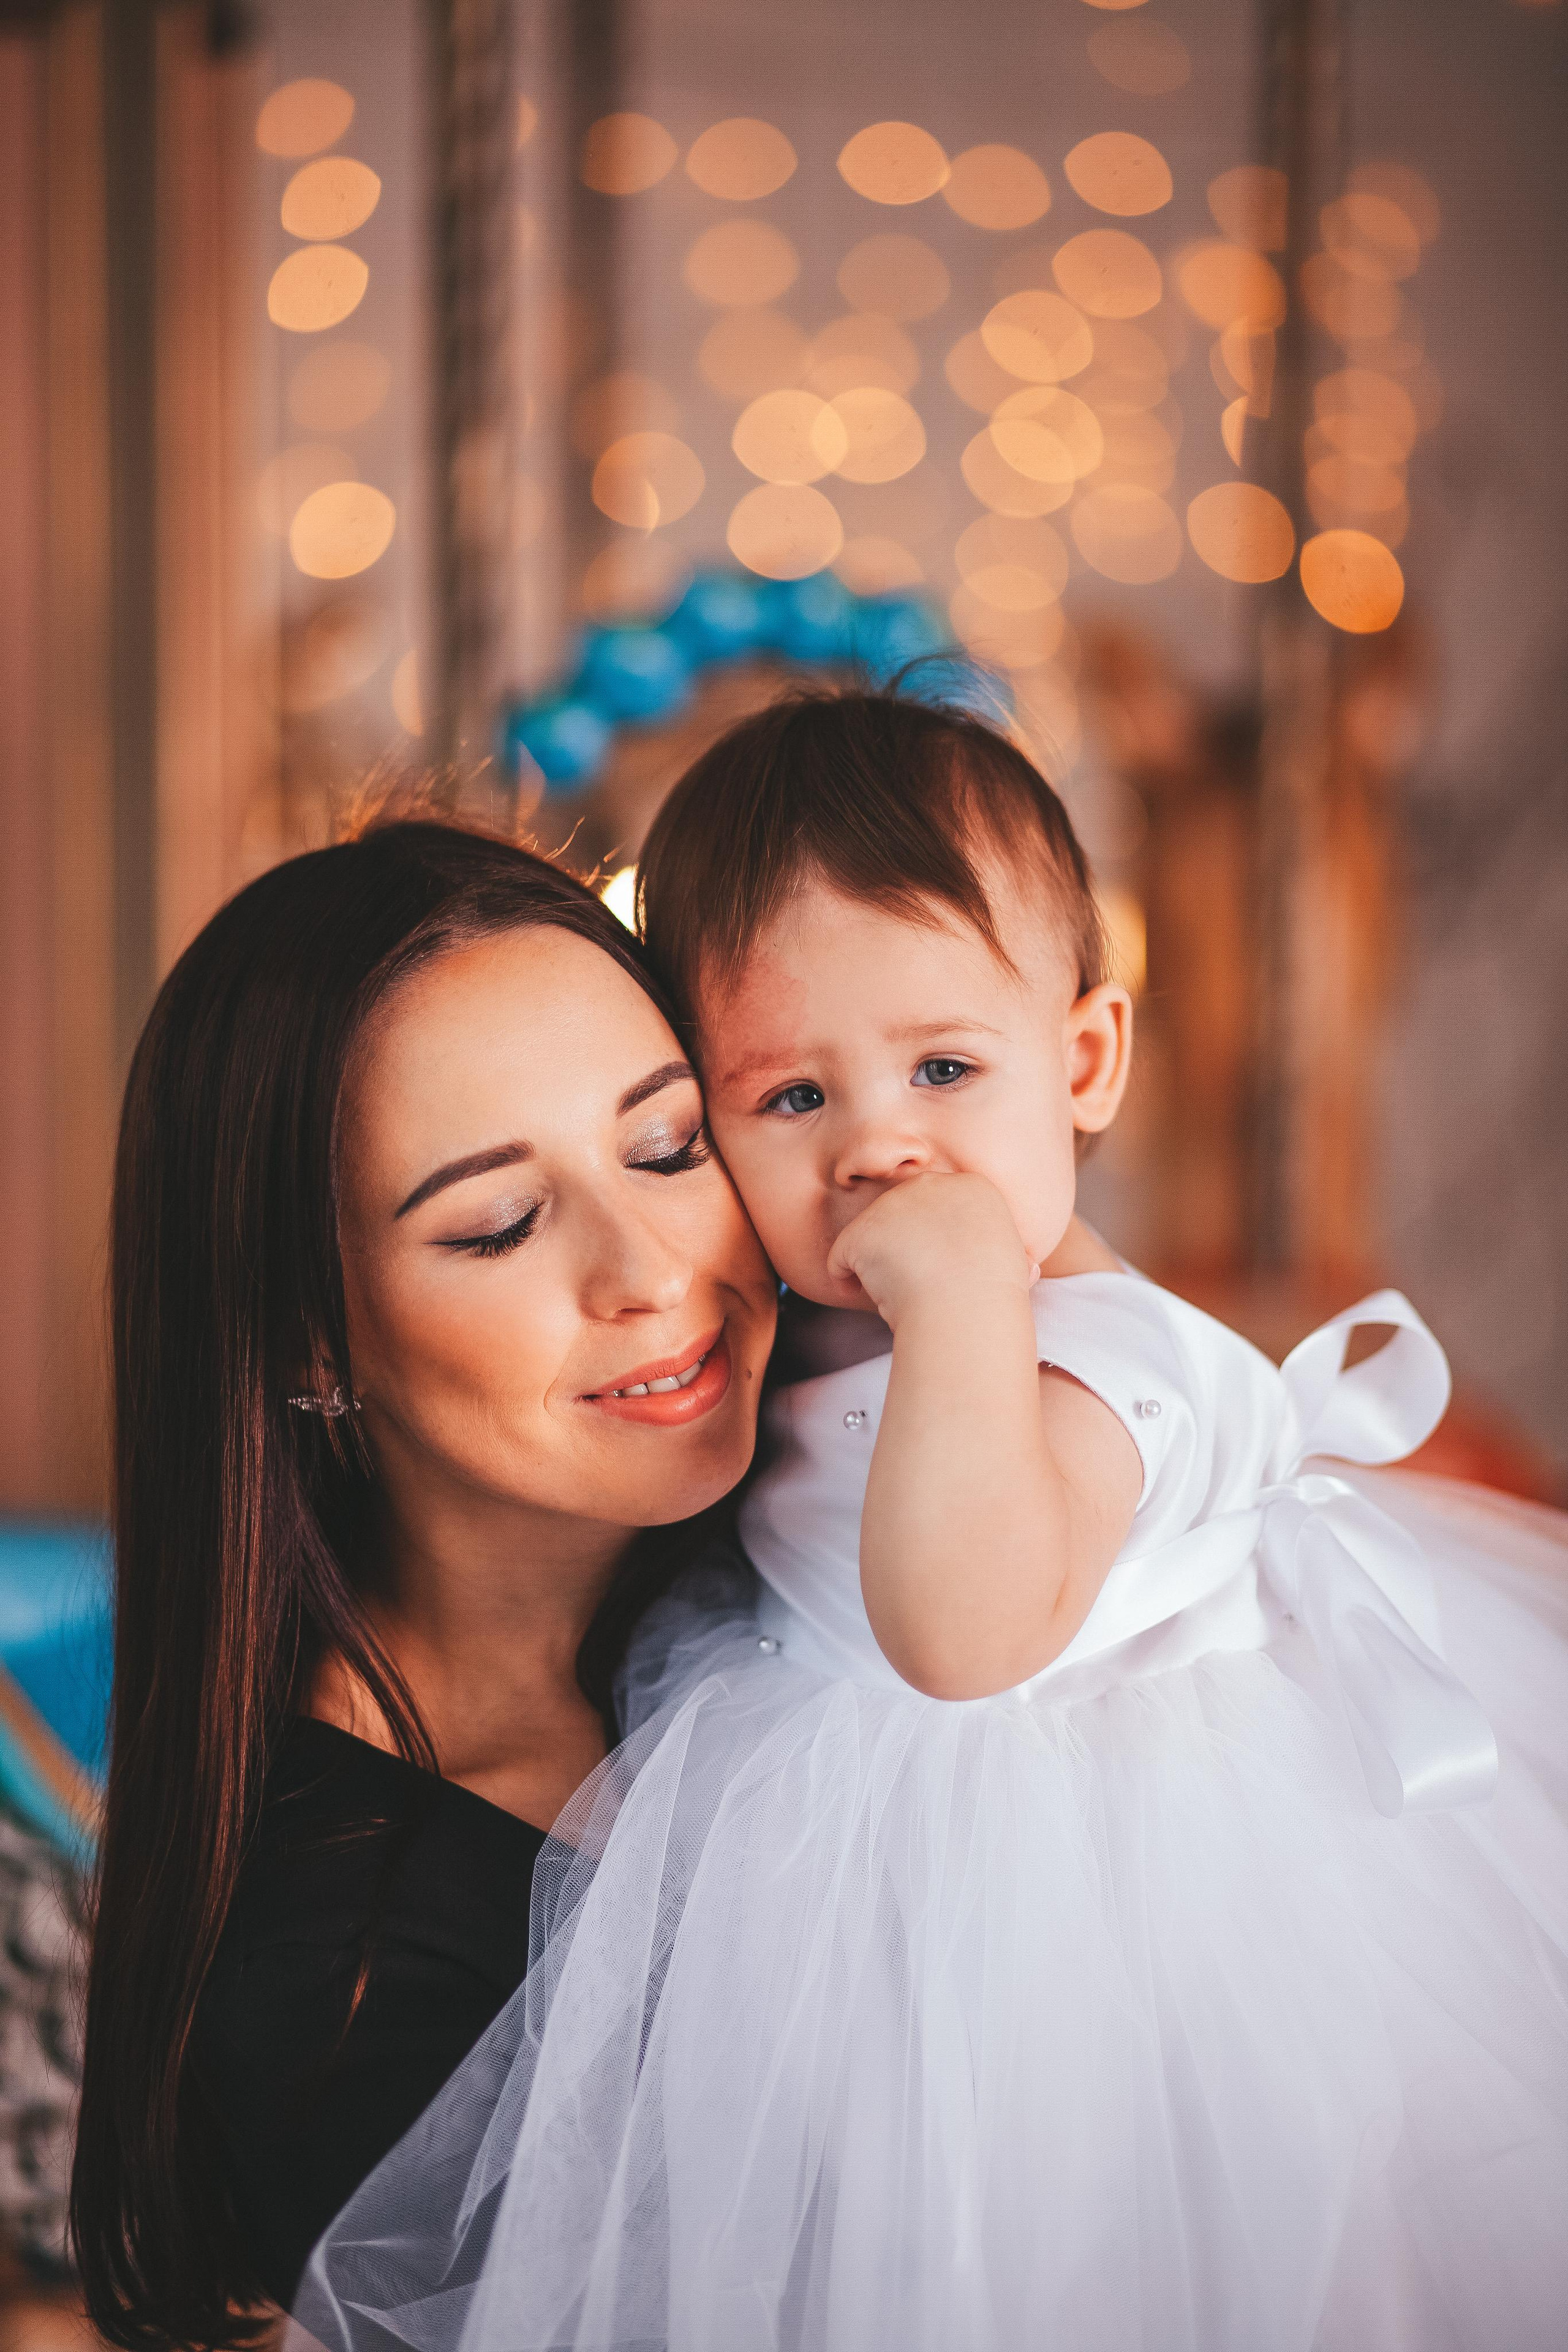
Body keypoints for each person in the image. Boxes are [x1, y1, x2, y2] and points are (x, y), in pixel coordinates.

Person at [298, 692, 1568, 2352]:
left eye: (946, 1070)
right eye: (785, 1100)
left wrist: (968, 1294)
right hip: (854, 1922)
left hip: (1090, 1950)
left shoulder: (1112, 1361)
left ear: (1084, 1062)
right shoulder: (805, 1330)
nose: (879, 1149)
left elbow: (964, 1632)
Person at [68, 820, 778, 2347]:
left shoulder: (869, 1525)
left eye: (668, 1146)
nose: (650, 1268)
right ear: (309, 1335)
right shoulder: (333, 1977)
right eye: (498, 1225)